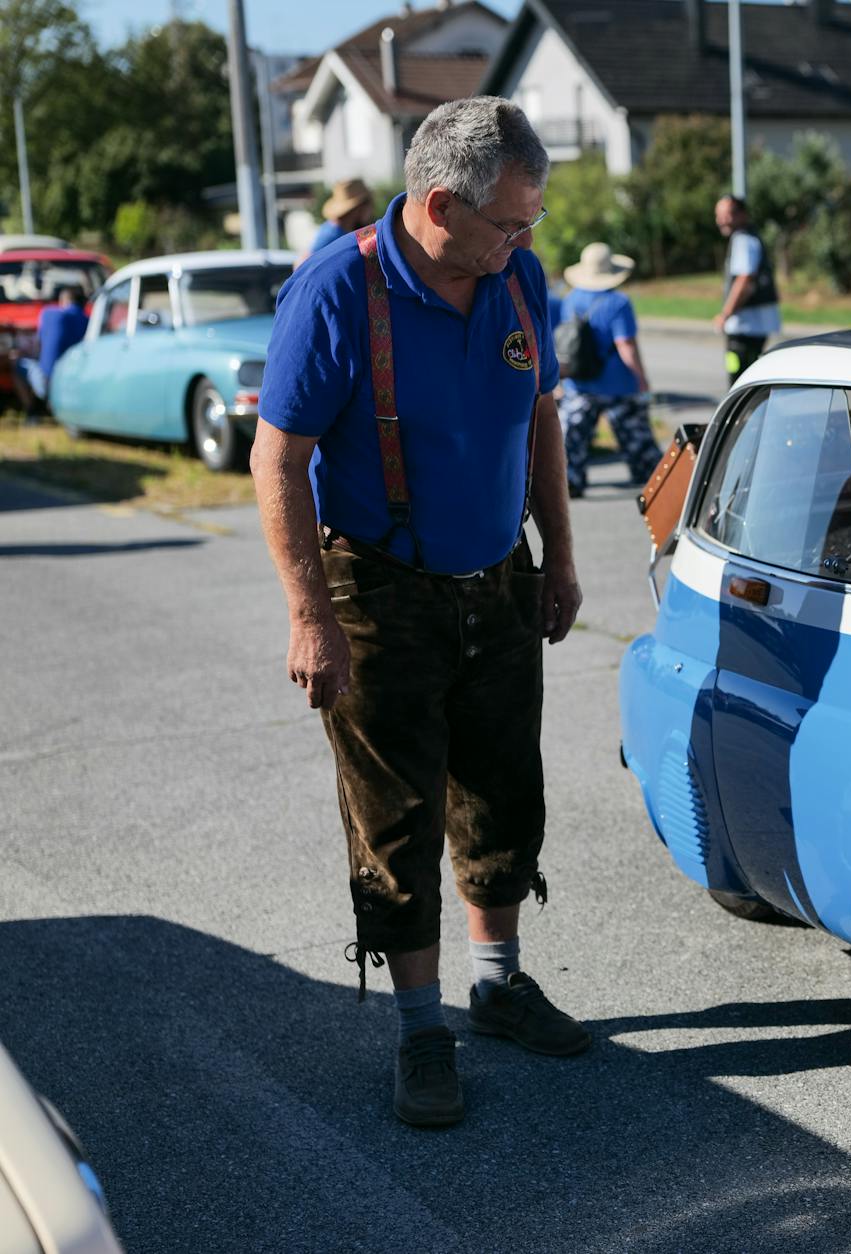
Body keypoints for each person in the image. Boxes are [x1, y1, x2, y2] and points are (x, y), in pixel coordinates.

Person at [251, 96, 587, 1130]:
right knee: (396, 818)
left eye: (530, 224)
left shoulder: (515, 278)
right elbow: (279, 459)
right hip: (378, 587)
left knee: (501, 788)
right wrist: (310, 619)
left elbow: (539, 425)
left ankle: (496, 983)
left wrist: (558, 558)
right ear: (441, 205)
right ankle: (419, 1031)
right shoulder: (336, 291)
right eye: (512, 223)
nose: (527, 242)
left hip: (498, 574)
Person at [556, 242, 661, 496]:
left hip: (579, 381)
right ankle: (652, 479)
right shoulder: (619, 302)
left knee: (572, 439)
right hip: (618, 383)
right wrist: (642, 379)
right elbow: (625, 345)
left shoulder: (570, 300)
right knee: (636, 437)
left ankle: (570, 480)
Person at [712, 195, 780, 385]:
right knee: (747, 378)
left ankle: (743, 415)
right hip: (753, 325)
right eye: (719, 215)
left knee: (739, 381)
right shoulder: (748, 237)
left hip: (746, 326)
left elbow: (744, 279)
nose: (722, 220)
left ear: (743, 215)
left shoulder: (743, 239)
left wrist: (725, 314)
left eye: (729, 214)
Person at [13, 285, 88, 418]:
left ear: (64, 300)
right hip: (80, 384)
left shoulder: (49, 314)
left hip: (49, 384)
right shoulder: (92, 320)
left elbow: (39, 346)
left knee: (17, 363)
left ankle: (32, 412)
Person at [302, 178, 377, 263]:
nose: (371, 210)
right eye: (369, 205)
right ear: (359, 208)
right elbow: (304, 263)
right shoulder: (331, 234)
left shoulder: (345, 230)